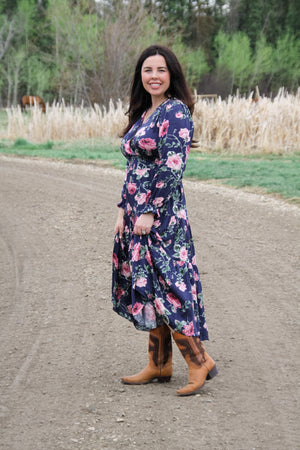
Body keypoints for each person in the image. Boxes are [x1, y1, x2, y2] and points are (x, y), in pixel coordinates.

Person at [112, 44, 218, 396]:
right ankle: (159, 364)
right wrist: (123, 210)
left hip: (162, 217)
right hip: (136, 215)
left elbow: (171, 169)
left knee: (169, 287)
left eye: (160, 70)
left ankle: (199, 360)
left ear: (171, 74)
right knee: (148, 287)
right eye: (147, 70)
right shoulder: (144, 113)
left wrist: (148, 210)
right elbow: (134, 169)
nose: (153, 76)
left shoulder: (175, 112)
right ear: (140, 76)